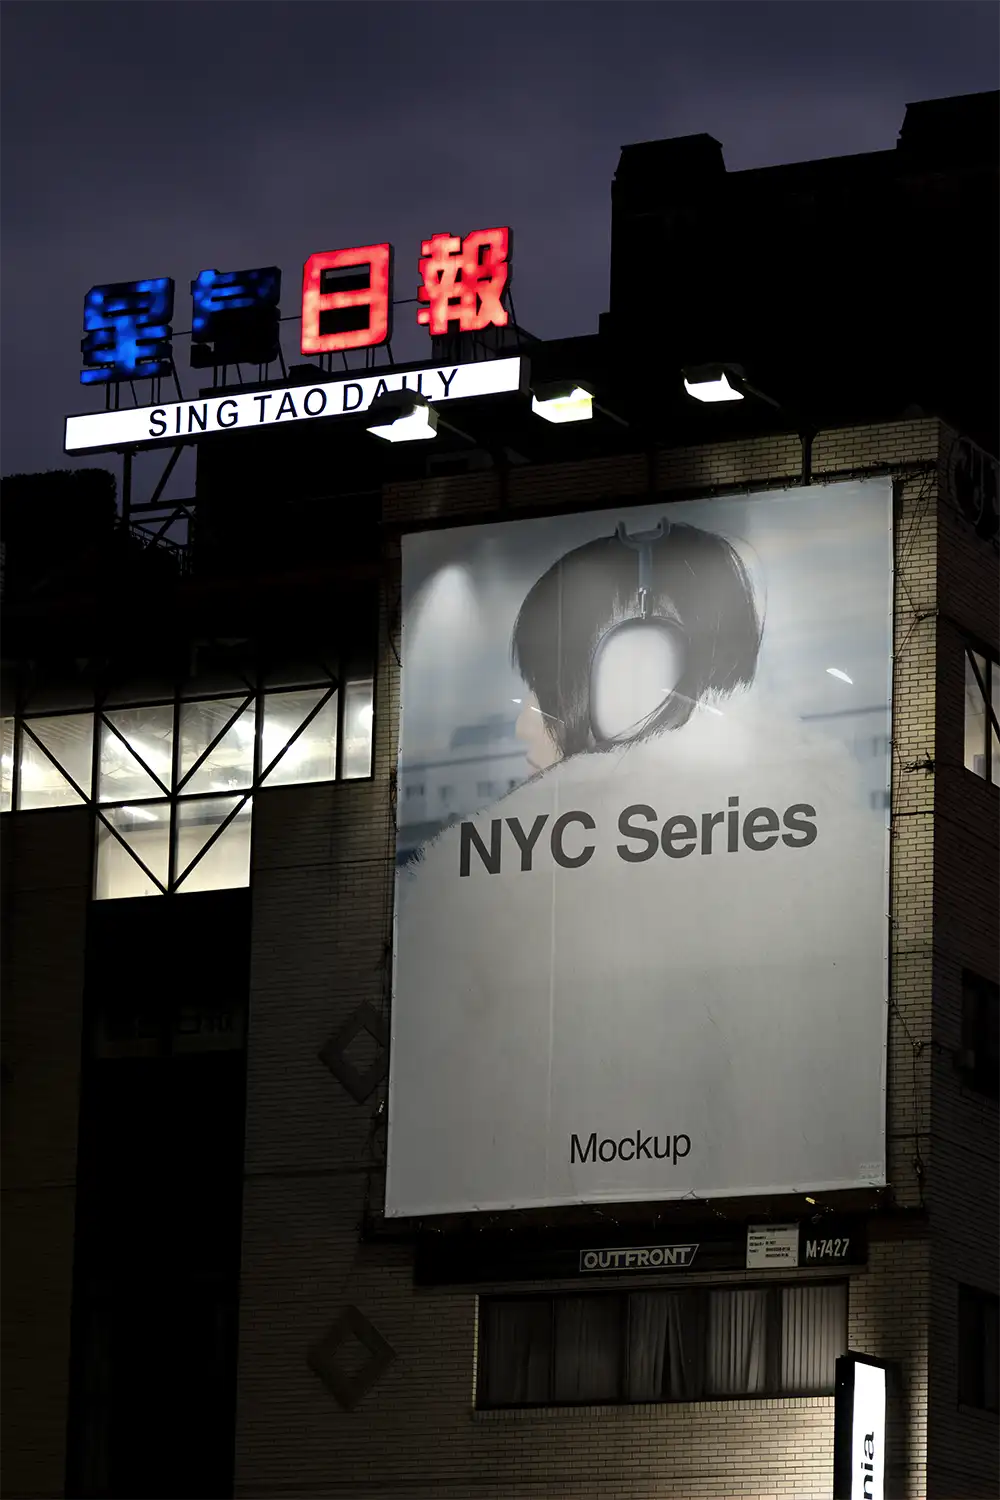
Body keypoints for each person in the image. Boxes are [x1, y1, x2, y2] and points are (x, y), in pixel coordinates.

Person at [387, 513, 887, 1220]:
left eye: (546, 690)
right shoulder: (854, 867)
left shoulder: (478, 905)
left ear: (635, 677)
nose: (526, 722)